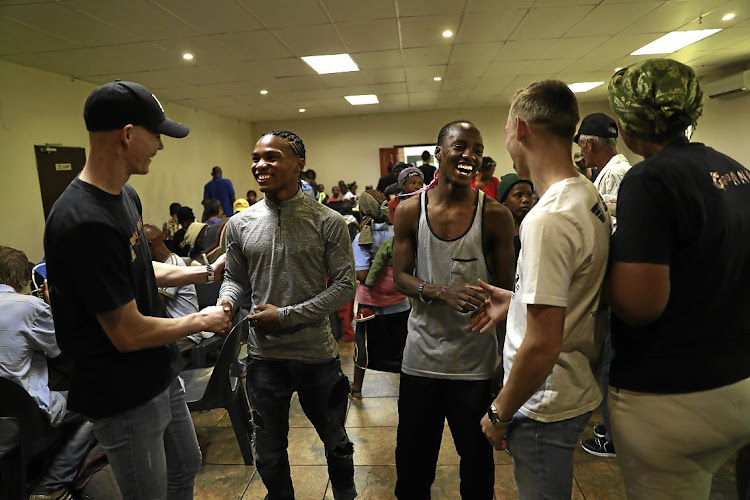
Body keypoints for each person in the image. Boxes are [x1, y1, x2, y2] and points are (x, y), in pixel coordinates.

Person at [43, 80, 232, 500]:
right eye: (156, 135)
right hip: (122, 390)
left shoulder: (124, 194)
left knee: (186, 464)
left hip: (158, 371)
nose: (160, 147)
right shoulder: (83, 221)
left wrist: (202, 274)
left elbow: (136, 267)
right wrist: (201, 319)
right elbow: (125, 333)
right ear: (128, 134)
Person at [606, 58, 750, 499]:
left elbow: (640, 304)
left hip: (676, 395)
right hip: (740, 378)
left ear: (628, 126)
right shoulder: (736, 171)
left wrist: (595, 272)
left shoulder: (650, 179)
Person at [471, 80, 611, 499]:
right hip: (572, 382)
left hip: (544, 400)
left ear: (521, 128)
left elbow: (543, 343)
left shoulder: (547, 218)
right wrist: (516, 303)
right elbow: (575, 294)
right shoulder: (585, 193)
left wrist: (500, 411)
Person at [219, 129, 357, 500]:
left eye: (272, 157)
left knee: (337, 443)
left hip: (317, 357)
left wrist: (286, 316)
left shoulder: (327, 221)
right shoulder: (240, 224)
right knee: (268, 453)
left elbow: (345, 286)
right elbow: (234, 279)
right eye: (256, 158)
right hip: (264, 360)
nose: (260, 165)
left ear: (300, 165)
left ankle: (346, 495)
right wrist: (227, 304)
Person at [392, 120, 516, 499]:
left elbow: (509, 294)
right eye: (460, 147)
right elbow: (400, 277)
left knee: (477, 469)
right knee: (413, 467)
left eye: (477, 150)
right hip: (421, 360)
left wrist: (505, 364)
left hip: (474, 364)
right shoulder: (410, 211)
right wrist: (440, 291)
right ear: (439, 154)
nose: (470, 156)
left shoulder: (495, 215)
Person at [0, 246, 96, 500]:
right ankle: (52, 485)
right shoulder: (27, 306)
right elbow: (65, 347)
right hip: (24, 415)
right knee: (101, 403)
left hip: (4, 413)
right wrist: (52, 308)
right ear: (21, 279)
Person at [574, 112, 631, 458]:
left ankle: (614, 437)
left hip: (616, 279)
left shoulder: (619, 175)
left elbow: (615, 228)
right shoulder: (606, 173)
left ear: (591, 144)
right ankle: (611, 425)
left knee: (612, 362)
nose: (581, 154)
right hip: (608, 278)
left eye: (582, 146)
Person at [349, 190, 410, 400]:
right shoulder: (399, 231)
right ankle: (408, 389)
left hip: (370, 305)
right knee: (402, 347)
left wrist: (377, 265)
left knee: (363, 347)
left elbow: (362, 275)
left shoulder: (361, 237)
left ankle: (357, 389)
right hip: (400, 300)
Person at [143, 224, 212, 351]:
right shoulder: (163, 264)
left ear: (149, 245)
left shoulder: (173, 265)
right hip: (176, 328)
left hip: (187, 333)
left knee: (145, 351)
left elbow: (156, 304)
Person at [497, 173, 534, 263]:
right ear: (504, 201)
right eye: (518, 195)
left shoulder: (535, 229)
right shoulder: (497, 231)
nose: (525, 199)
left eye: (529, 195)